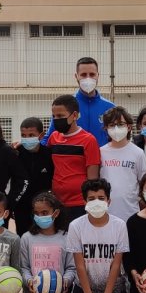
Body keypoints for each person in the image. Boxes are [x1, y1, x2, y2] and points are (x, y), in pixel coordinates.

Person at [65, 178, 131, 293]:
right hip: (85, 290)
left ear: (109, 201)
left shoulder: (120, 225)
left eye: (101, 198)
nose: (97, 202)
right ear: (84, 201)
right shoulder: (76, 226)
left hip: (114, 290)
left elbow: (116, 266)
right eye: (91, 198)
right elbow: (80, 266)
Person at [18, 192, 76, 293]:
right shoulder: (27, 238)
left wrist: (65, 282)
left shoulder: (66, 237)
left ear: (55, 213)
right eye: (37, 213)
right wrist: (29, 282)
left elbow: (71, 268)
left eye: (44, 213)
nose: (40, 216)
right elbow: (23, 268)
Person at [47, 94, 101, 224]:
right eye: (54, 116)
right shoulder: (53, 138)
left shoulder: (89, 140)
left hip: (79, 204)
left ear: (75, 115)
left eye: (60, 116)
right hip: (57, 203)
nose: (56, 119)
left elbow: (92, 178)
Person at [44, 56, 115, 145]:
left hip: (101, 158)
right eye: (83, 75)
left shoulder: (110, 108)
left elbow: (118, 139)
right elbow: (49, 137)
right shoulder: (65, 106)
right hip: (72, 157)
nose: (88, 78)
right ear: (76, 76)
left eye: (92, 74)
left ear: (98, 76)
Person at [100, 106, 146, 221]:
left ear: (129, 126)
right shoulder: (100, 152)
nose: (116, 128)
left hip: (130, 213)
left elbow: (143, 183)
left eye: (120, 124)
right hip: (105, 213)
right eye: (111, 125)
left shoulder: (138, 153)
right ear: (106, 128)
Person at [13, 117, 53, 237]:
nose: (27, 138)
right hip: (21, 207)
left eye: (31, 135)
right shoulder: (16, 153)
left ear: (41, 136)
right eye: (23, 135)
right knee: (23, 237)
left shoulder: (49, 154)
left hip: (43, 208)